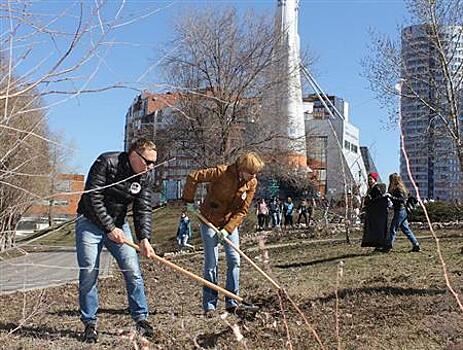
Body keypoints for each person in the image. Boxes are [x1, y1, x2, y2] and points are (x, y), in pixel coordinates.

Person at [75, 138, 157, 343]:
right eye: (147, 162)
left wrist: (144, 239)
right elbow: (92, 197)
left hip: (120, 226)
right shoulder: (107, 162)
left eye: (154, 163)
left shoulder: (145, 177)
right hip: (89, 223)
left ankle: (141, 319)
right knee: (88, 272)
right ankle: (90, 323)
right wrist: (109, 228)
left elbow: (143, 209)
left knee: (133, 271)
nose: (150, 167)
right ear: (134, 154)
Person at [182, 152, 264, 316]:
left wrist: (227, 229)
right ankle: (210, 305)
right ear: (242, 169)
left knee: (235, 260)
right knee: (212, 263)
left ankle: (232, 301)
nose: (253, 176)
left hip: (229, 224)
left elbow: (242, 211)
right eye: (251, 172)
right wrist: (189, 201)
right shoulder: (222, 172)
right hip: (209, 220)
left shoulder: (251, 183)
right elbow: (193, 176)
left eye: (255, 173)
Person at [384, 173, 421, 252]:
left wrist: (391, 197)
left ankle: (388, 246)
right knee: (406, 229)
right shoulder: (400, 188)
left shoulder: (398, 189)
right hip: (402, 210)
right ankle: (416, 245)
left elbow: (401, 200)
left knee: (393, 228)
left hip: (400, 211)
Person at [360, 172, 389, 250]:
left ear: (374, 179)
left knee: (378, 230)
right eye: (368, 179)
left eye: (370, 179)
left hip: (378, 213)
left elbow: (380, 199)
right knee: (374, 230)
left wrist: (370, 200)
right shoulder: (370, 189)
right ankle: (377, 245)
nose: (369, 181)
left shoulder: (377, 188)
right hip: (373, 213)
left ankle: (380, 245)